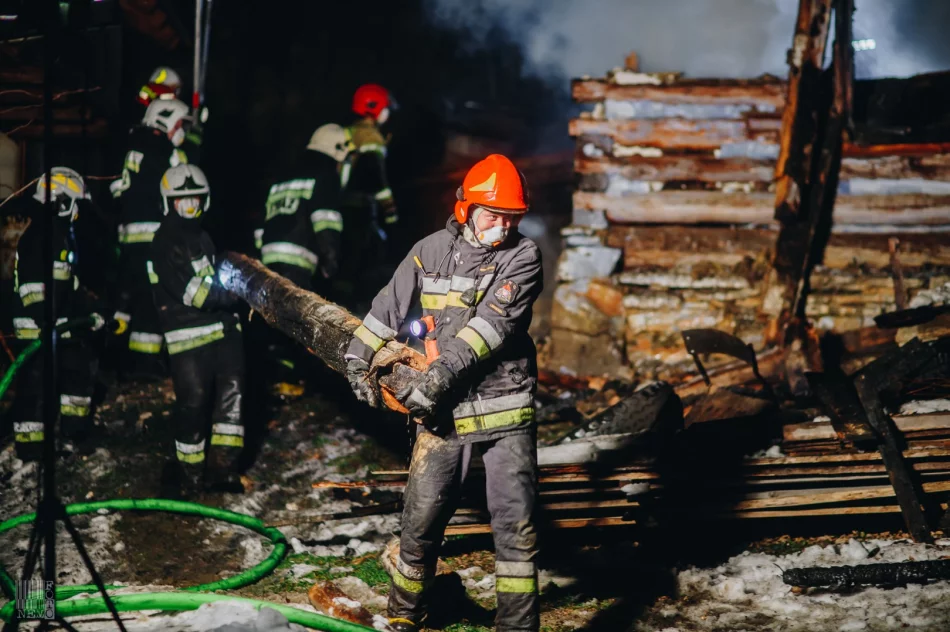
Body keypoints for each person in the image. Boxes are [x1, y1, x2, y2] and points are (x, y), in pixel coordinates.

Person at [345, 154, 543, 632]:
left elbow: (489, 328)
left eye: (511, 218)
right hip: (444, 417)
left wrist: (435, 378)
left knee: (515, 530)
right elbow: (386, 309)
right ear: (466, 210)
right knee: (420, 525)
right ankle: (404, 618)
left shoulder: (524, 256)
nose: (502, 226)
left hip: (503, 408)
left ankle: (516, 628)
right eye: (493, 215)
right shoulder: (428, 251)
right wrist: (355, 359)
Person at [149, 164, 245, 494]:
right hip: (187, 340)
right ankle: (189, 480)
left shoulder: (202, 236)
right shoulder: (164, 242)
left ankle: (224, 472)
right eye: (182, 201)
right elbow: (197, 294)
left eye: (195, 200)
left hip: (224, 333)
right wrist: (236, 294)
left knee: (232, 403)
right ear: (169, 202)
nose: (190, 207)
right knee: (193, 405)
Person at [10, 168, 104, 461]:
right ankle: (31, 447)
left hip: (59, 328)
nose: (78, 213)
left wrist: (90, 313)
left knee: (77, 372)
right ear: (62, 203)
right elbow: (33, 289)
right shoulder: (40, 237)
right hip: (36, 331)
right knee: (35, 389)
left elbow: (68, 287)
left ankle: (73, 434)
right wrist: (46, 320)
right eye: (75, 205)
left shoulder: (60, 237)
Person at [259, 123, 352, 394]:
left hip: (267, 257)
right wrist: (331, 260)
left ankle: (273, 378)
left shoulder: (285, 174)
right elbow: (326, 222)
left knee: (272, 319)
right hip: (297, 260)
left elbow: (265, 219)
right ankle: (288, 381)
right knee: (295, 322)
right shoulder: (325, 175)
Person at [110, 97, 191, 378]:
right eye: (180, 124)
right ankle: (145, 369)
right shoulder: (168, 151)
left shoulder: (133, 147)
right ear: (165, 119)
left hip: (130, 236)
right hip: (155, 236)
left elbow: (119, 190)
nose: (182, 131)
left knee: (128, 299)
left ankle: (120, 361)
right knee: (152, 301)